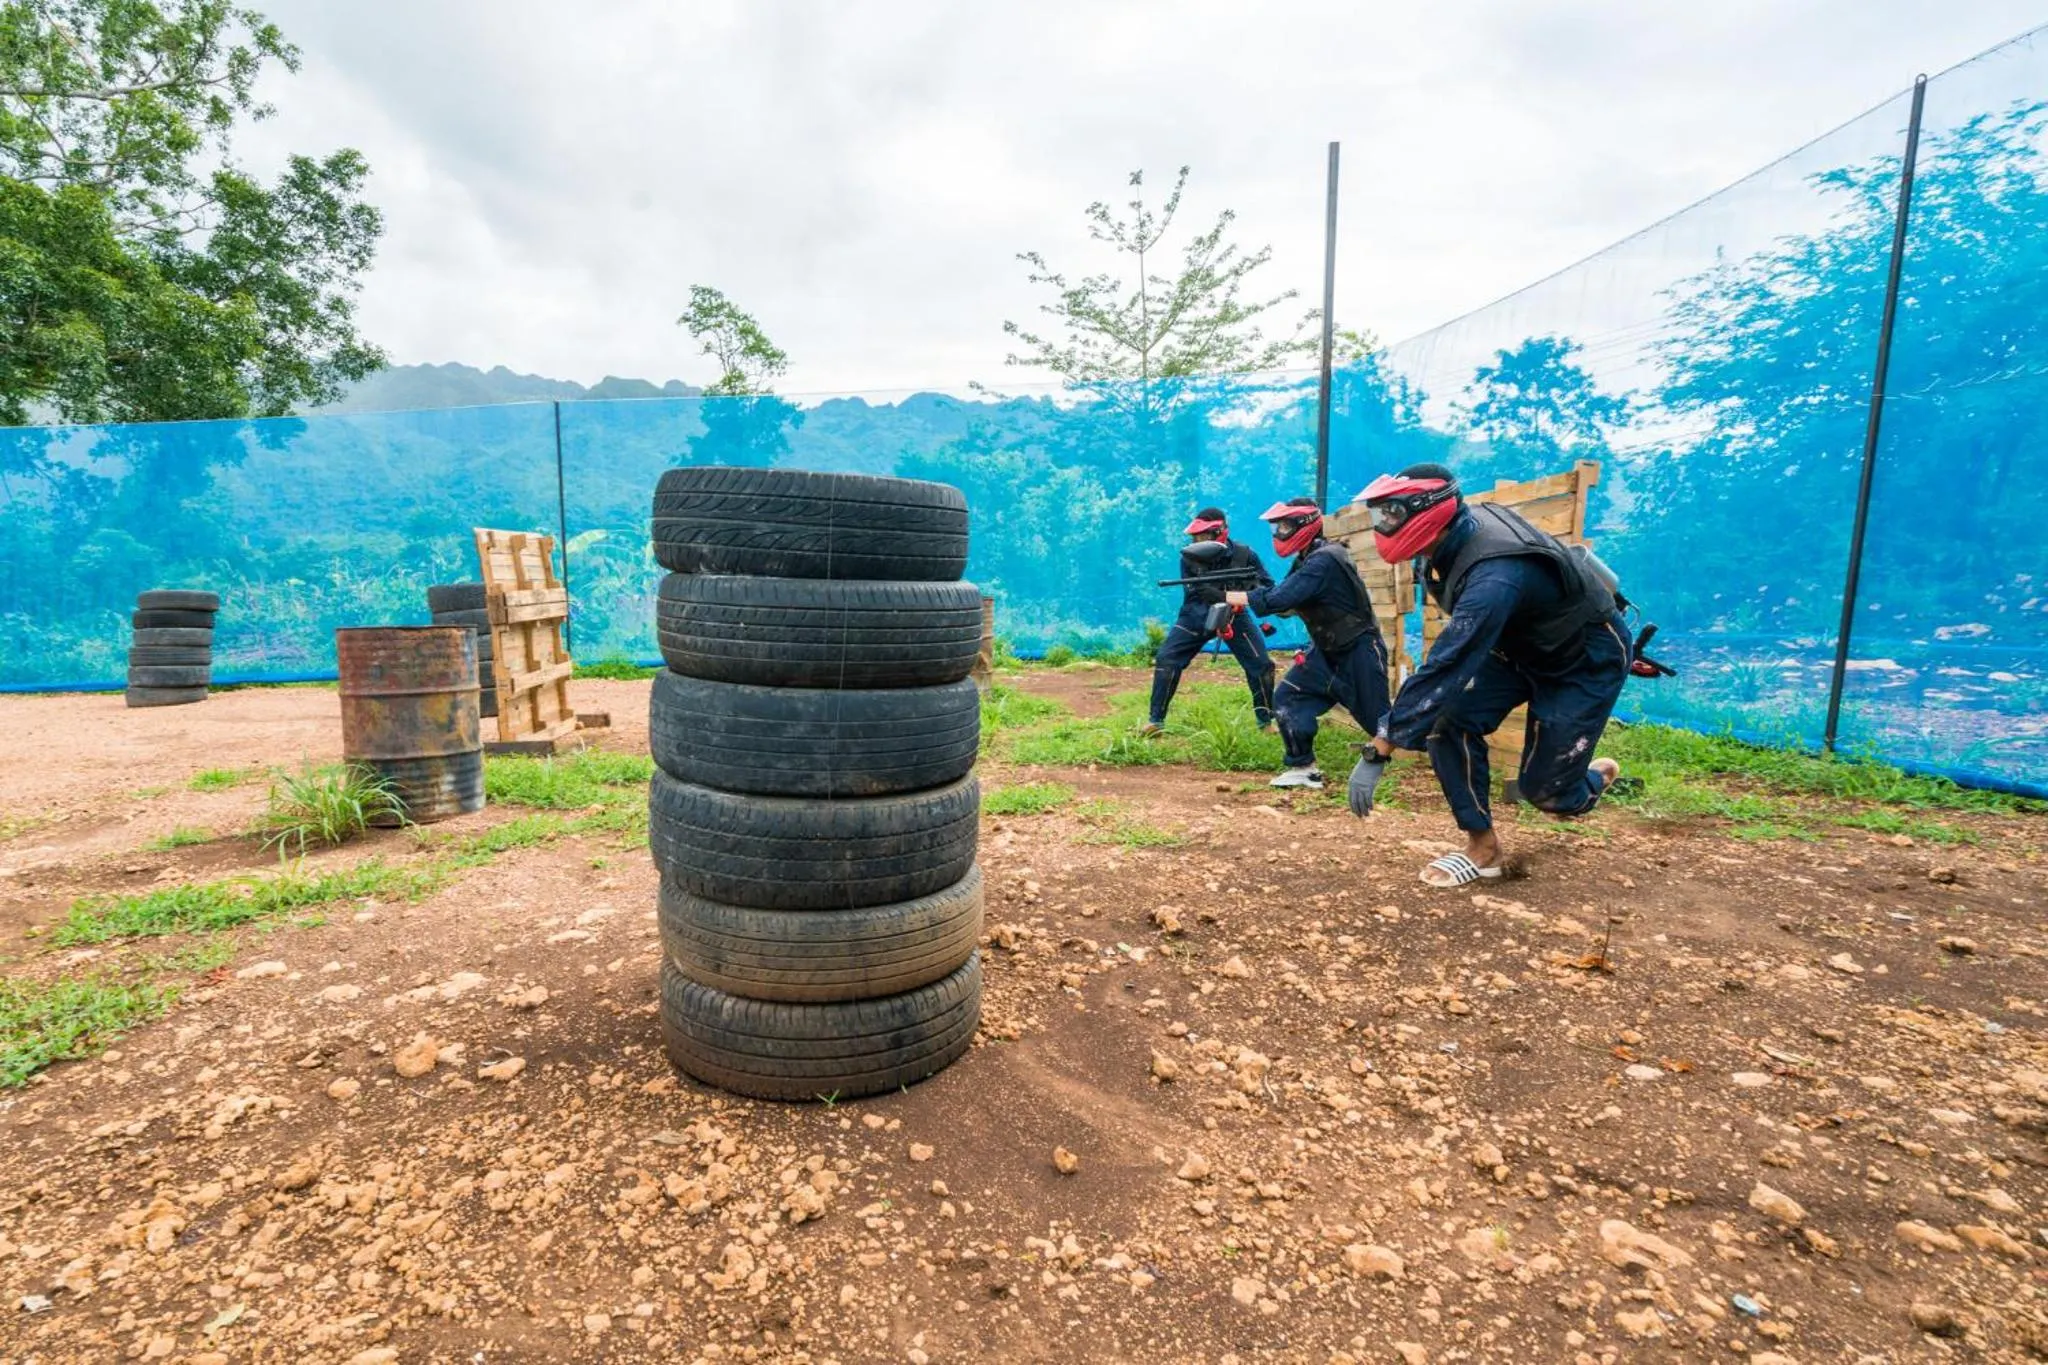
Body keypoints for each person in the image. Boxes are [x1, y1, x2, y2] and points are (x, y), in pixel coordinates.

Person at [1353, 463, 1629, 886]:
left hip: (1583, 658)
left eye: (1391, 513)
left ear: (1428, 509)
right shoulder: (1448, 543)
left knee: (1548, 796)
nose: (1383, 524)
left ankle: (1587, 782)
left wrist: (1381, 746)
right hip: (1517, 648)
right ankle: (1484, 849)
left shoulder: (1494, 574)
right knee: (1448, 722)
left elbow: (1449, 662)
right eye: (1380, 514)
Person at [1222, 497, 1390, 788]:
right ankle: (1303, 768)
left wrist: (1236, 596)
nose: (1279, 534)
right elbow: (1286, 604)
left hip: (1358, 649)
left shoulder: (1325, 559)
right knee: (1289, 697)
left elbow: (1279, 599)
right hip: (1325, 651)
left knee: (1381, 721)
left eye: (1284, 527)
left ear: (1305, 525)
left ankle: (1445, 752)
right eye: (1277, 528)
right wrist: (1252, 593)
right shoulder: (1308, 558)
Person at [1141, 509, 1276, 735]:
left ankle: (1266, 723)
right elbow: (1195, 595)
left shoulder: (1245, 555)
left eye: (1203, 536)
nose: (1197, 541)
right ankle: (1155, 722)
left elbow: (1267, 587)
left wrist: (1240, 598)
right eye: (1195, 537)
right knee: (1167, 658)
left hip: (1236, 615)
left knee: (1262, 665)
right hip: (1197, 614)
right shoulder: (1189, 558)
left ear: (1220, 532)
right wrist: (1218, 609)